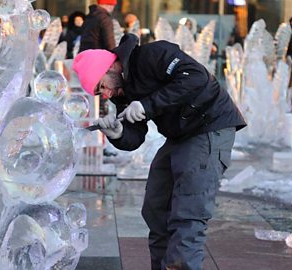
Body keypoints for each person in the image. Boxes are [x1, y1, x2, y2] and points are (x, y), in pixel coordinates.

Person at [72, 33, 246, 270]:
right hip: (180, 135)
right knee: (156, 208)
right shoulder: (121, 92)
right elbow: (135, 137)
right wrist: (118, 134)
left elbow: (195, 77)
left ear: (112, 66)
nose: (106, 95)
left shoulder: (153, 54)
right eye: (99, 93)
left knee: (188, 214)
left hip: (209, 125)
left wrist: (147, 104)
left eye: (102, 86)